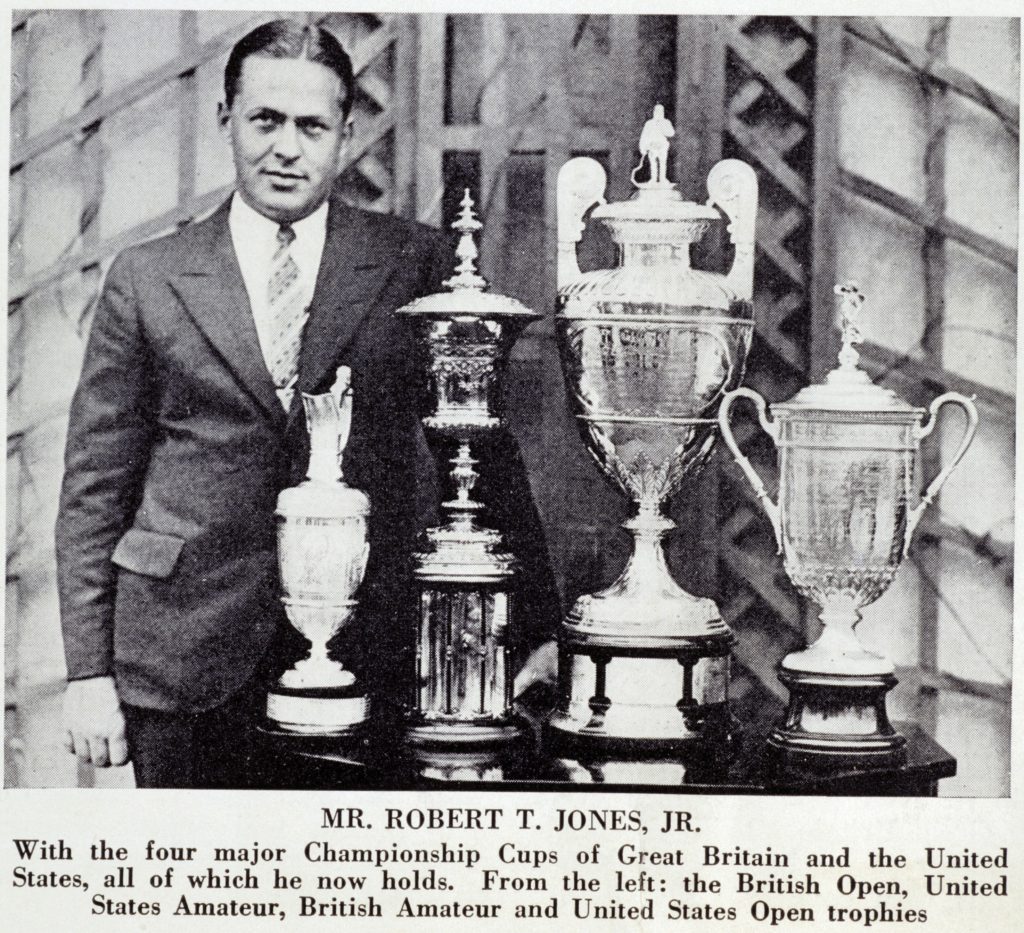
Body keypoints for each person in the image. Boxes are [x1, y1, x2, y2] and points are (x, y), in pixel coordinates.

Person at [56, 19, 559, 789]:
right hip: (186, 657)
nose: (286, 147)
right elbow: (96, 489)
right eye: (265, 120)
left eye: (311, 125)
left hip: (373, 653)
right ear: (227, 120)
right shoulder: (148, 277)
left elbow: (481, 448)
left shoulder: (412, 263)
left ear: (346, 134)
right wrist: (88, 672)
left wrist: (536, 627)